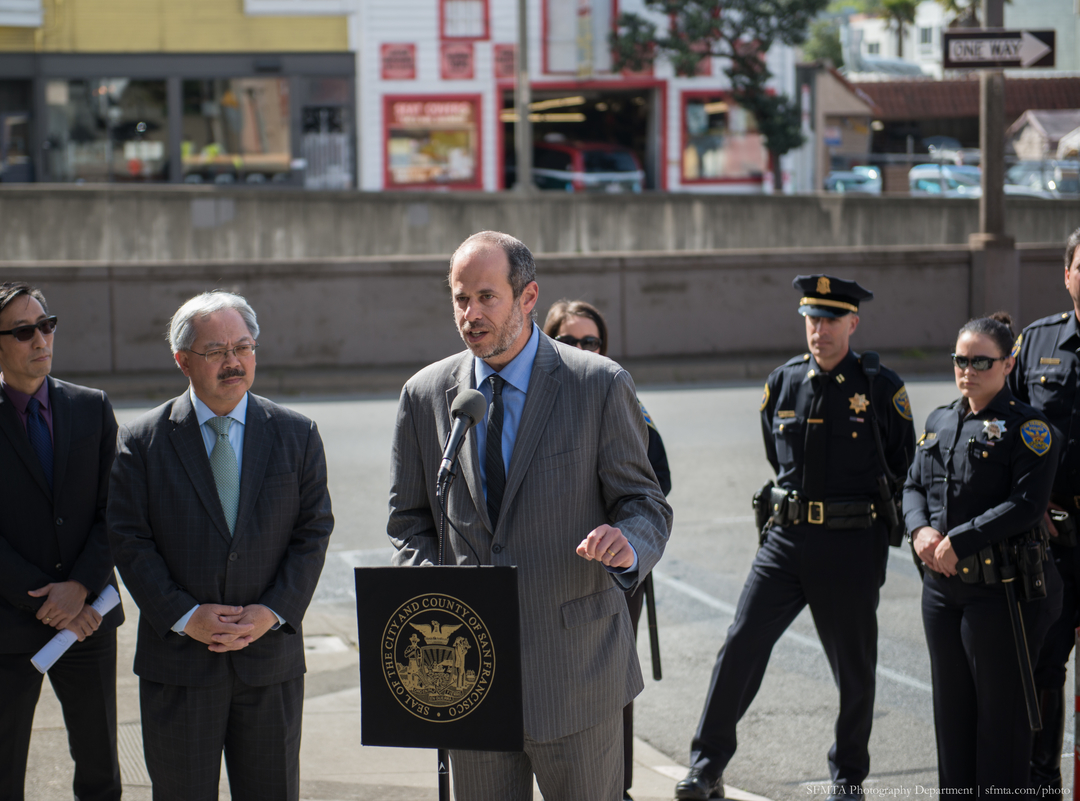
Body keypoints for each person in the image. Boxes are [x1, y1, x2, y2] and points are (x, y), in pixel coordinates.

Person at [388, 230, 672, 801]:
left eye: (486, 297)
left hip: (576, 673)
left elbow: (645, 504)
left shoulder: (597, 384)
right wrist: (428, 586)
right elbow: (410, 520)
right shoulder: (424, 395)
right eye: (460, 299)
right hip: (467, 676)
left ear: (528, 296)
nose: (470, 315)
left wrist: (627, 542)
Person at [674, 275, 915, 801]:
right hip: (785, 542)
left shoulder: (879, 387)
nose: (820, 330)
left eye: (831, 319)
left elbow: (902, 465)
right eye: (812, 318)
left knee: (854, 671)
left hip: (851, 545)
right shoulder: (782, 384)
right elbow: (775, 455)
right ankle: (706, 766)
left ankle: (848, 778)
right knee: (740, 647)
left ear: (853, 322)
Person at [108, 290, 333, 801]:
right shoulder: (142, 441)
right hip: (181, 664)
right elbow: (128, 539)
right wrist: (186, 616)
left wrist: (273, 611)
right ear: (181, 360)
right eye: (216, 351)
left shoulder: (297, 434)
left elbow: (313, 531)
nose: (233, 362)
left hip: (269, 659)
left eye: (244, 347)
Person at [0, 283, 123, 801]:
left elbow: (118, 511)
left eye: (47, 325)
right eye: (23, 331)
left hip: (89, 620)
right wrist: (54, 599)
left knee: (100, 764)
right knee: (2, 767)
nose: (41, 339)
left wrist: (82, 587)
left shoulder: (92, 408)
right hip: (10, 623)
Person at [905, 313, 1062, 794]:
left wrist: (960, 540)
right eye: (960, 360)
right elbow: (912, 486)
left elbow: (1026, 505)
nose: (967, 369)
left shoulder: (1030, 428)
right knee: (951, 719)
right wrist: (920, 533)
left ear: (1008, 363)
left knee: (1001, 725)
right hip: (941, 591)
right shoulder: (940, 420)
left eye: (980, 361)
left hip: (1000, 594)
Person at [542, 299, 671, 801]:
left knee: (606, 683)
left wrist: (622, 534)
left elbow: (655, 483)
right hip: (542, 569)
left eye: (590, 341)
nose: (580, 349)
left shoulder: (617, 395)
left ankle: (615, 786)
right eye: (568, 340)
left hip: (609, 571)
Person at [1008, 227, 1080, 796]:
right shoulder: (1036, 343)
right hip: (1053, 535)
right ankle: (1041, 783)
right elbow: (1004, 427)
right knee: (1044, 666)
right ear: (1066, 274)